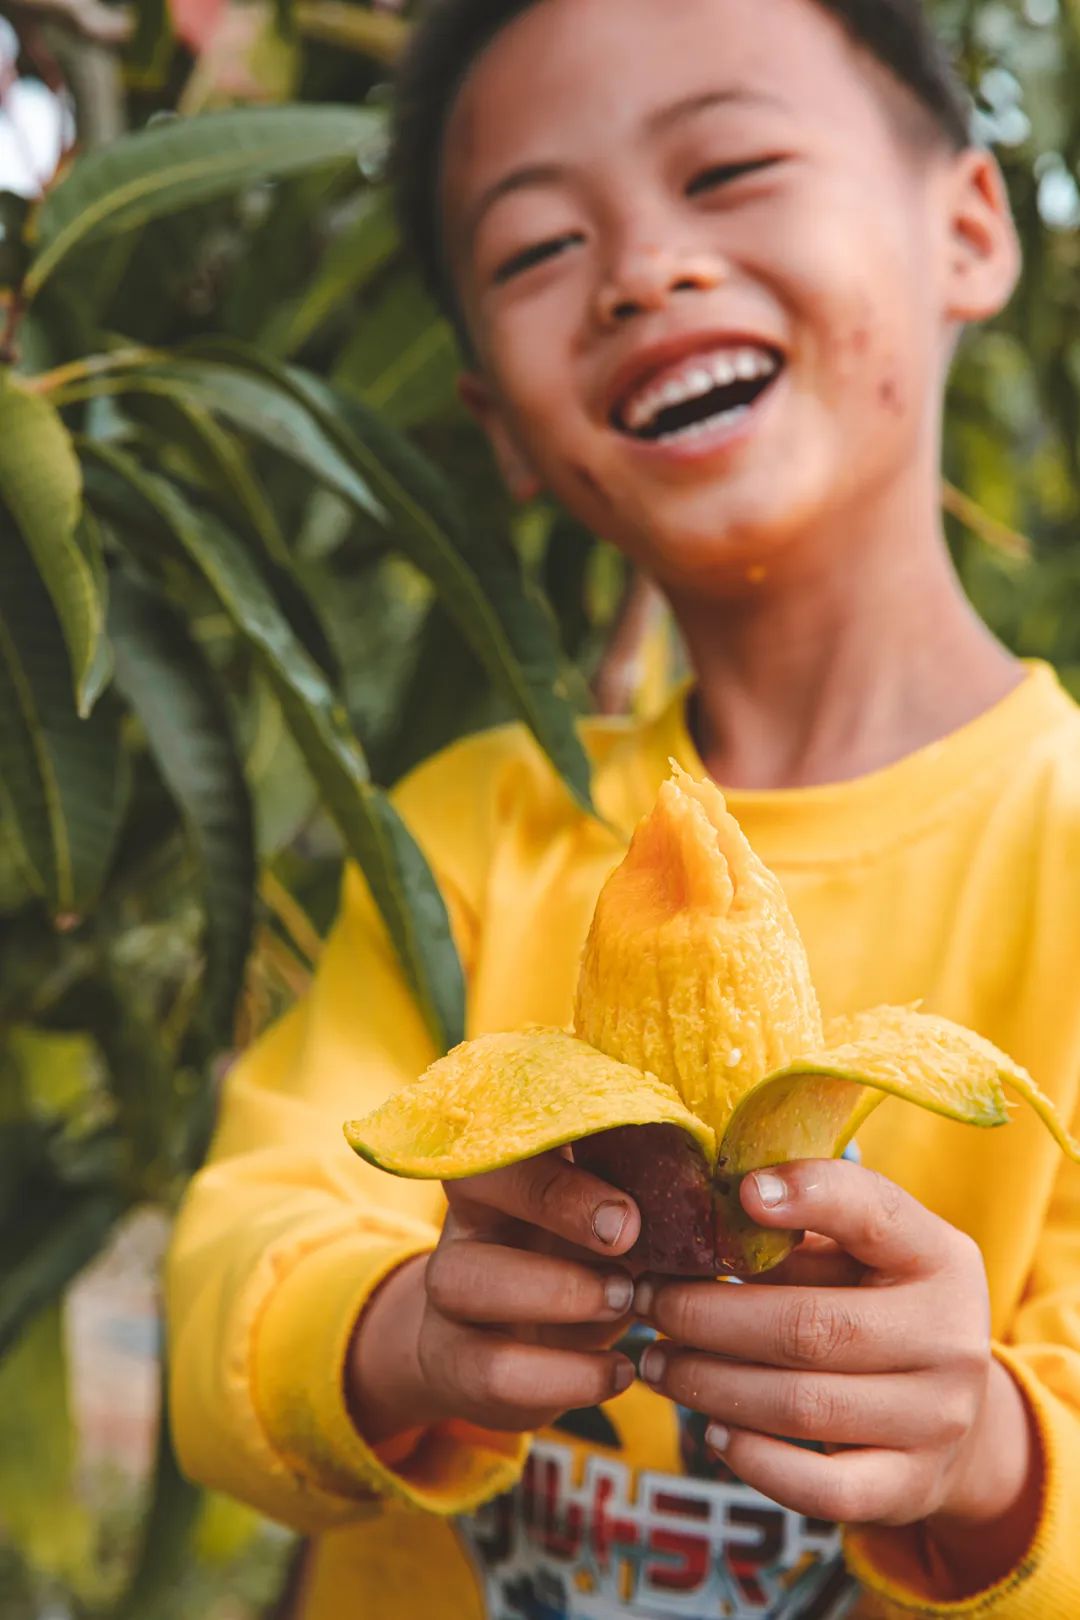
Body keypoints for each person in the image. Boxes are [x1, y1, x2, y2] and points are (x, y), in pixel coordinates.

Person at [166, 1, 1080, 1616]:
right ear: (499, 426)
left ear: (968, 226)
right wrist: (400, 1335)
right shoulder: (462, 834)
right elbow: (244, 1256)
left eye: (728, 166)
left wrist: (992, 1456)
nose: (641, 269)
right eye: (535, 251)